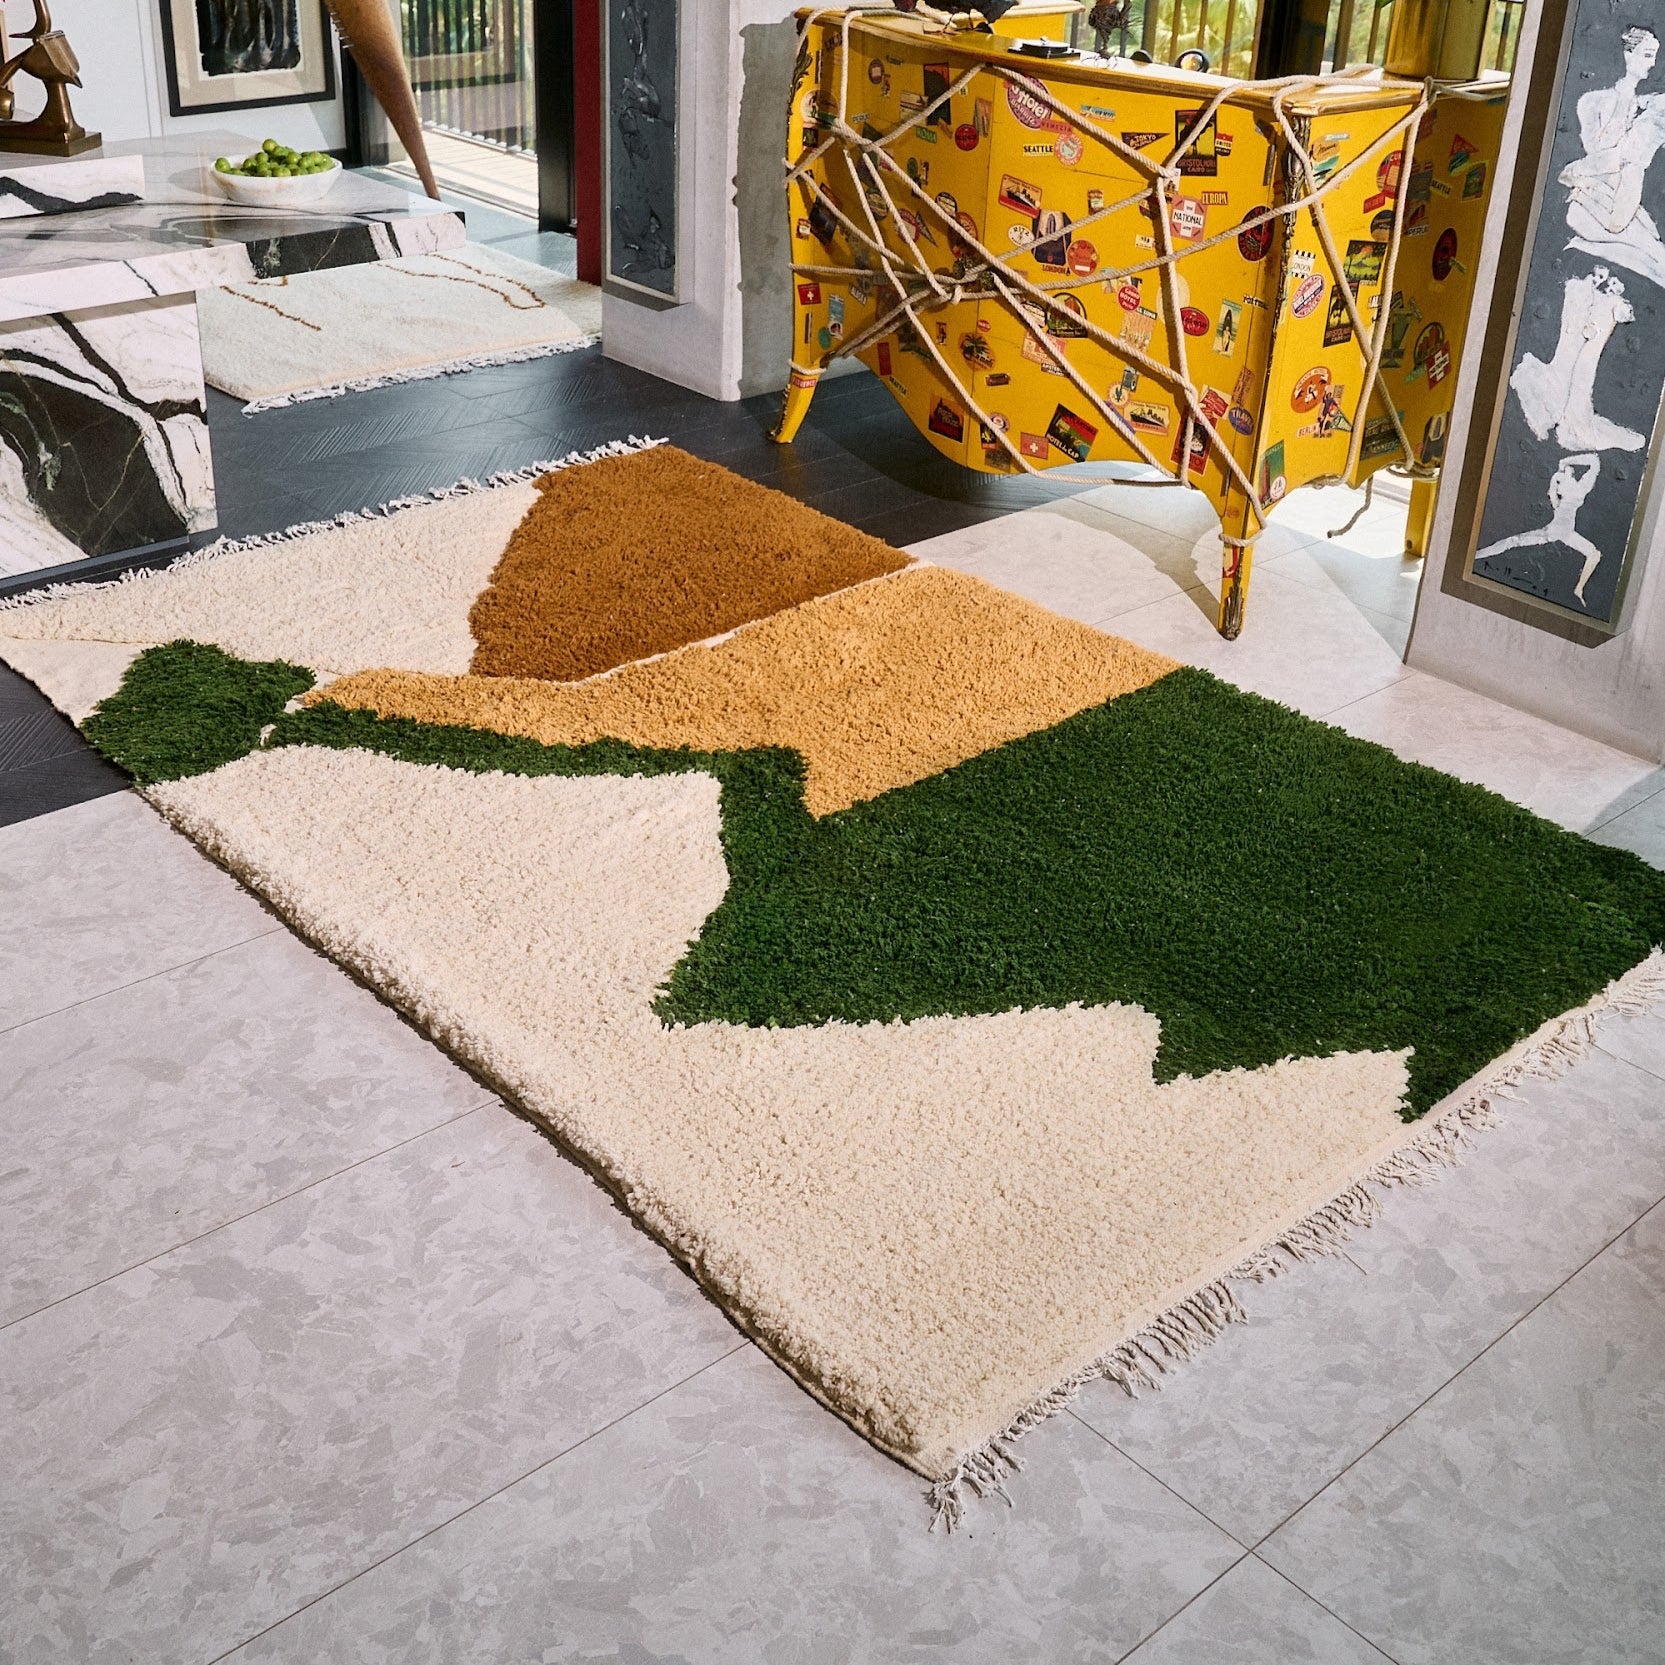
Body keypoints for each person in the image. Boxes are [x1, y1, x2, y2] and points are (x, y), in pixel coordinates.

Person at [1561, 27, 1665, 288]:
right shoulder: (1594, 100)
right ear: (1627, 55)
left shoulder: (1648, 104)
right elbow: (1600, 151)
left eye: (1654, 56)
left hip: (1621, 188)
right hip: (1601, 190)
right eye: (1647, 55)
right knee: (1642, 247)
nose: (1653, 63)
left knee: (1648, 252)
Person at [1473, 452, 1607, 605]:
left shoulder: (1576, 487)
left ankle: (1579, 589)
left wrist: (1564, 463)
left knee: (1594, 554)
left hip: (1564, 531)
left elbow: (1593, 461)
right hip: (1558, 530)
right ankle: (1477, 555)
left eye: (1568, 471)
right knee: (1513, 541)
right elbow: (1593, 462)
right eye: (1565, 473)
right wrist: (1559, 474)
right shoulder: (1576, 488)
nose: (1568, 472)